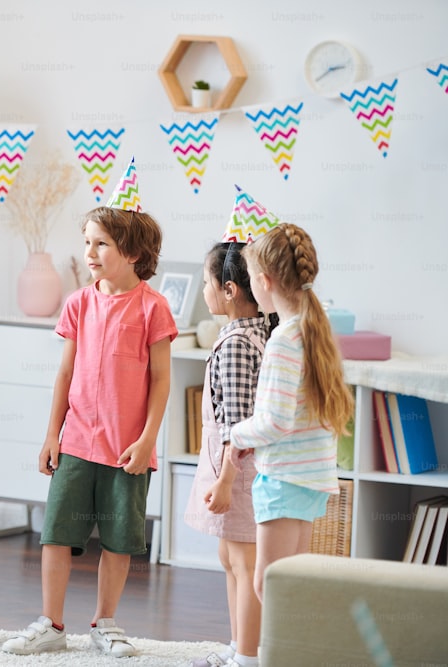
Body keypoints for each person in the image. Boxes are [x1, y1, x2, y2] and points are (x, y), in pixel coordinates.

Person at [3, 161, 178, 657]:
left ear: (134, 251)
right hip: (77, 441)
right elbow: (64, 374)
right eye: (87, 242)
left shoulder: (153, 308)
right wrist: (51, 434)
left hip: (128, 449)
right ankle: (52, 624)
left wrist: (146, 442)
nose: (89, 252)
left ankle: (105, 623)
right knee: (57, 534)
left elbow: (162, 380)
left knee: (120, 541)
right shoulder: (79, 303)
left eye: (101, 243)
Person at [231, 222, 354, 607]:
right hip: (312, 476)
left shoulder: (284, 338)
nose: (250, 287)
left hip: (285, 477)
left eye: (250, 279)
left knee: (270, 585)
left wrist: (236, 435)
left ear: (265, 281)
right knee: (292, 584)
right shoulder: (314, 329)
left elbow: (274, 421)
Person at [181, 195, 276, 667]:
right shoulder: (253, 330)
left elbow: (239, 426)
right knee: (230, 559)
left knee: (242, 562)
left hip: (237, 474)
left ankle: (248, 654)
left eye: (206, 283)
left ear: (232, 288)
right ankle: (238, 645)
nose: (203, 291)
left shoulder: (239, 342)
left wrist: (222, 483)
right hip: (233, 470)